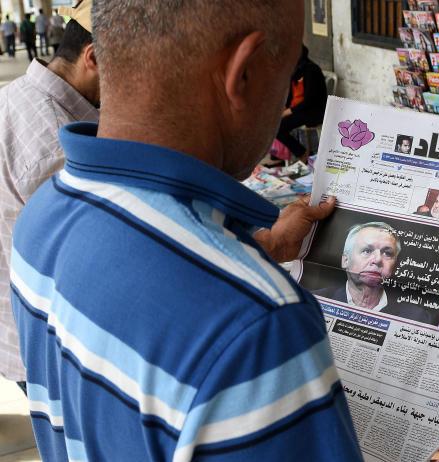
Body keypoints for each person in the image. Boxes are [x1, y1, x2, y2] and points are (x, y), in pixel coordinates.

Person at [11, 1, 362, 460]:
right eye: (289, 70)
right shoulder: (258, 325)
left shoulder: (43, 216)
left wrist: (266, 247)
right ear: (246, 72)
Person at [0, 2, 99, 393]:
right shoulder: (58, 142)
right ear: (91, 58)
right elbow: (85, 270)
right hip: (46, 349)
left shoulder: (17, 95)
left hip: (18, 333)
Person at [315, 223, 436, 324]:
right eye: (367, 251)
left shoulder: (417, 317)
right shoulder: (313, 302)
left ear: (395, 267)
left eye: (387, 253)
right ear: (346, 260)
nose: (377, 259)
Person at [276, 45, 328, 159]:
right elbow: (290, 95)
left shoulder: (311, 70)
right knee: (273, 122)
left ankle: (301, 153)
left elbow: (309, 101)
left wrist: (288, 112)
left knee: (278, 128)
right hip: (299, 109)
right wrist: (284, 107)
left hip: (314, 111)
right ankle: (280, 156)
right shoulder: (295, 71)